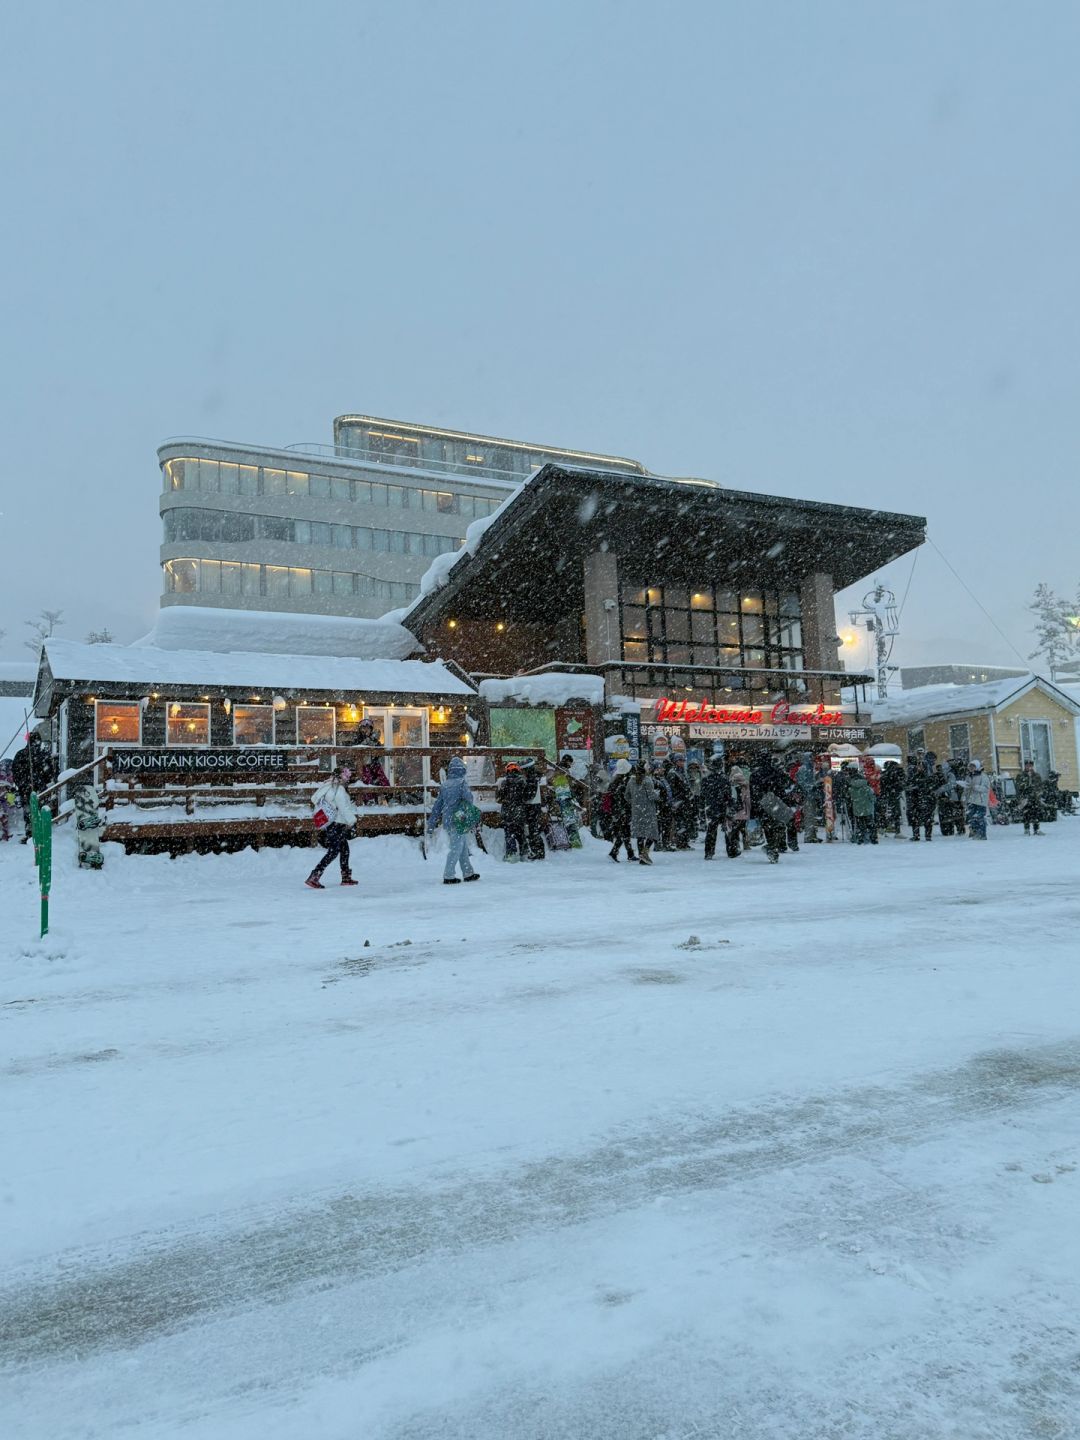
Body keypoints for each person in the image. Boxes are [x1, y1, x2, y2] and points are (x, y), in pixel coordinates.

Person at [427, 756, 480, 884]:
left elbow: (437, 806)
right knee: (457, 848)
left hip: (448, 820)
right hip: (459, 819)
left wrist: (431, 824)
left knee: (462, 847)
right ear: (462, 770)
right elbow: (469, 799)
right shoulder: (462, 783)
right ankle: (448, 875)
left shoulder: (444, 785)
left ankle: (468, 873)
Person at [306, 766, 359, 888]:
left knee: (344, 849)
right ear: (341, 776)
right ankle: (315, 876)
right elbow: (343, 807)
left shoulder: (329, 786)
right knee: (334, 851)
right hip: (337, 824)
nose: (348, 779)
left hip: (331, 824)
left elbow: (314, 799)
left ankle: (346, 877)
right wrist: (352, 820)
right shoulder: (339, 789)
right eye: (346, 776)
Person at [749, 753, 792, 862]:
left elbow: (753, 793)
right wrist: (785, 802)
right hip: (776, 802)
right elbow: (783, 789)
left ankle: (772, 847)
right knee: (778, 825)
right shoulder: (776, 773)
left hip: (762, 803)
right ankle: (775, 846)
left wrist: (754, 809)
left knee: (767, 827)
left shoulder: (755, 775)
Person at [11, 734, 55, 843]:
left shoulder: (20, 754)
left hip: (26, 789)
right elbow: (50, 772)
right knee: (41, 810)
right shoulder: (43, 755)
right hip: (40, 788)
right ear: (39, 741)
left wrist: (21, 784)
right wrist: (43, 782)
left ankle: (30, 833)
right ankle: (40, 832)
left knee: (28, 811)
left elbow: (15, 773)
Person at [626, 761, 660, 865]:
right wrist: (658, 795)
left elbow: (626, 796)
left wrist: (634, 803)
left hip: (636, 811)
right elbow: (651, 796)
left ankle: (641, 856)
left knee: (640, 834)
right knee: (652, 833)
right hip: (648, 811)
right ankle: (645, 853)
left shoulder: (631, 781)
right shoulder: (648, 780)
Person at [496, 762, 530, 861]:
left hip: (508, 813)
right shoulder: (522, 782)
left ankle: (511, 854)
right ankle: (524, 854)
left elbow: (499, 799)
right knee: (521, 833)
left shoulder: (504, 783)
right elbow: (527, 796)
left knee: (509, 834)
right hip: (519, 812)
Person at [549, 754, 584, 849]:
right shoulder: (563, 771)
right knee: (570, 820)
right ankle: (574, 841)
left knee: (566, 819)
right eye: (570, 762)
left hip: (559, 796)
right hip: (564, 796)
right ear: (567, 761)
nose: (571, 765)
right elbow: (567, 784)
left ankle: (566, 840)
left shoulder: (557, 769)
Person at [700, 757, 731, 860]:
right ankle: (731, 850)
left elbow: (703, 794)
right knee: (727, 829)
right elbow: (728, 794)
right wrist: (730, 804)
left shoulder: (706, 778)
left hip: (711, 806)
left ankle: (709, 852)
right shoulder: (724, 778)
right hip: (722, 806)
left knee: (711, 830)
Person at [517, 757, 547, 860]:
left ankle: (537, 851)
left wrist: (521, 796)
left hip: (532, 805)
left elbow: (528, 795)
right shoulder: (534, 777)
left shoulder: (531, 779)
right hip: (534, 805)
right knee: (533, 829)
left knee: (532, 829)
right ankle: (537, 850)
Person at [606, 758, 636, 862]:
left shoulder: (615, 781)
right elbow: (623, 799)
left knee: (624, 832)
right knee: (624, 832)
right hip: (622, 811)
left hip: (618, 811)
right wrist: (623, 811)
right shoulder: (623, 782)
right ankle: (615, 853)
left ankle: (628, 853)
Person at [906, 750, 936, 842]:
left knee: (923, 817)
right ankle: (920, 835)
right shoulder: (916, 773)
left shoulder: (921, 774)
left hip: (921, 798)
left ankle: (923, 835)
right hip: (920, 798)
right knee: (920, 817)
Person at [794, 752, 823, 844]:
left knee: (812, 816)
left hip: (812, 795)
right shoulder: (804, 769)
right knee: (809, 816)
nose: (812, 759)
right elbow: (801, 782)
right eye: (811, 757)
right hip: (808, 796)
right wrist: (814, 785)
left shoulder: (810, 768)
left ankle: (813, 835)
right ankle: (809, 836)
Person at [961, 759, 992, 840]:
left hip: (980, 801)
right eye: (970, 766)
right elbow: (966, 789)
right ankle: (974, 834)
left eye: (973, 766)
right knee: (972, 819)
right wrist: (964, 797)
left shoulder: (983, 776)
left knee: (980, 818)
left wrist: (975, 787)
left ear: (977, 767)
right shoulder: (968, 776)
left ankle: (982, 835)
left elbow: (986, 788)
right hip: (971, 801)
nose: (971, 768)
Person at [725, 763, 751, 857]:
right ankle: (745, 844)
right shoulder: (745, 784)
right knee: (743, 828)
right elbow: (747, 798)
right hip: (742, 810)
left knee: (732, 830)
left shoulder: (729, 783)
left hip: (733, 810)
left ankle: (734, 846)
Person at [846, 764, 877, 844]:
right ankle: (873, 838)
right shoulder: (866, 787)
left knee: (860, 824)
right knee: (870, 823)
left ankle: (860, 838)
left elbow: (849, 797)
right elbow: (872, 798)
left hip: (857, 809)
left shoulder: (851, 788)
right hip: (867, 808)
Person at [1015, 760, 1045, 836]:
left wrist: (1039, 793)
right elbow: (1018, 787)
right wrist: (1020, 798)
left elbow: (1040, 786)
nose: (1029, 767)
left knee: (1036, 814)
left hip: (1035, 797)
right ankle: (1027, 829)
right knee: (1026, 814)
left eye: (1030, 765)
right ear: (1025, 766)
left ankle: (1036, 829)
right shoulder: (1021, 775)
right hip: (1025, 797)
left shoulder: (1037, 775)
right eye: (1027, 765)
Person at [878, 760, 905, 837]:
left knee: (885, 813)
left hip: (885, 796)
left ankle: (883, 829)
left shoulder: (883, 774)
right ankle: (897, 831)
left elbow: (882, 785)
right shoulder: (896, 773)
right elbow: (900, 784)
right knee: (896, 813)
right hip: (894, 796)